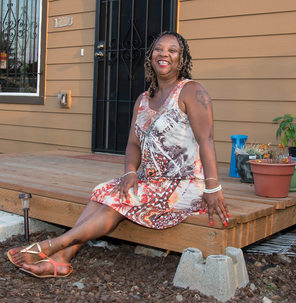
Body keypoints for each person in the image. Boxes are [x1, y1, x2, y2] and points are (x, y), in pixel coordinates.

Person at [7, 31, 229, 278]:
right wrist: (130, 172)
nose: (164, 54)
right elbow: (133, 144)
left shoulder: (192, 91)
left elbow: (206, 140)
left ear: (181, 59)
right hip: (149, 180)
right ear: (150, 56)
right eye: (158, 49)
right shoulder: (143, 100)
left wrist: (212, 188)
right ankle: (61, 260)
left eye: (172, 50)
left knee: (118, 201)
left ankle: (53, 245)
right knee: (103, 192)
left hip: (184, 185)